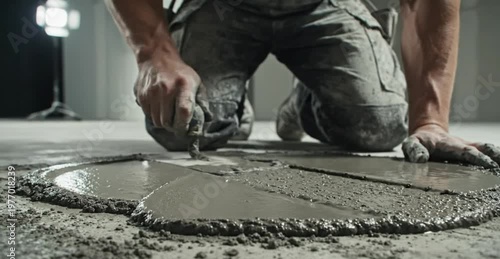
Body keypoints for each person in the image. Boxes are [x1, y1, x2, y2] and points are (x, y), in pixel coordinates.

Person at [105, 0, 500, 168]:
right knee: (178, 121)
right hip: (221, 6)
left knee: (380, 125)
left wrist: (430, 121)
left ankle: (306, 104)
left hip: (323, 5)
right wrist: (155, 54)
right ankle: (231, 107)